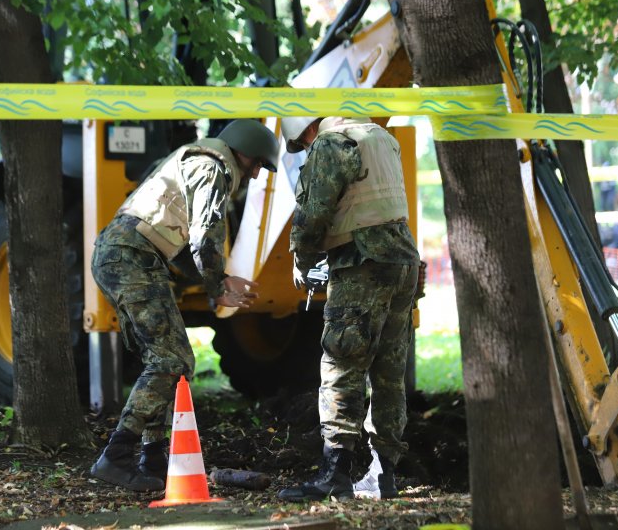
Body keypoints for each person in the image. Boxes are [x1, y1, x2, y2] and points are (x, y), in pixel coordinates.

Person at [89, 119, 279, 491]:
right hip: (131, 258)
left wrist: (218, 280)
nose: (256, 174)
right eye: (257, 164)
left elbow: (178, 244)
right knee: (172, 361)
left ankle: (154, 458)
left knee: (165, 361)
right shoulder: (214, 167)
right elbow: (205, 234)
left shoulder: (196, 158)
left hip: (127, 257)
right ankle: (116, 456)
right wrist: (216, 286)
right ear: (242, 150)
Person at [278, 116, 420, 501]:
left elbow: (314, 210)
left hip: (362, 264)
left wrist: (302, 259)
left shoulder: (329, 144)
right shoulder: (381, 137)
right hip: (403, 260)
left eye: (303, 144)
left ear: (305, 132)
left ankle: (335, 473)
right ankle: (383, 474)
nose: (307, 149)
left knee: (342, 364)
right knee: (389, 372)